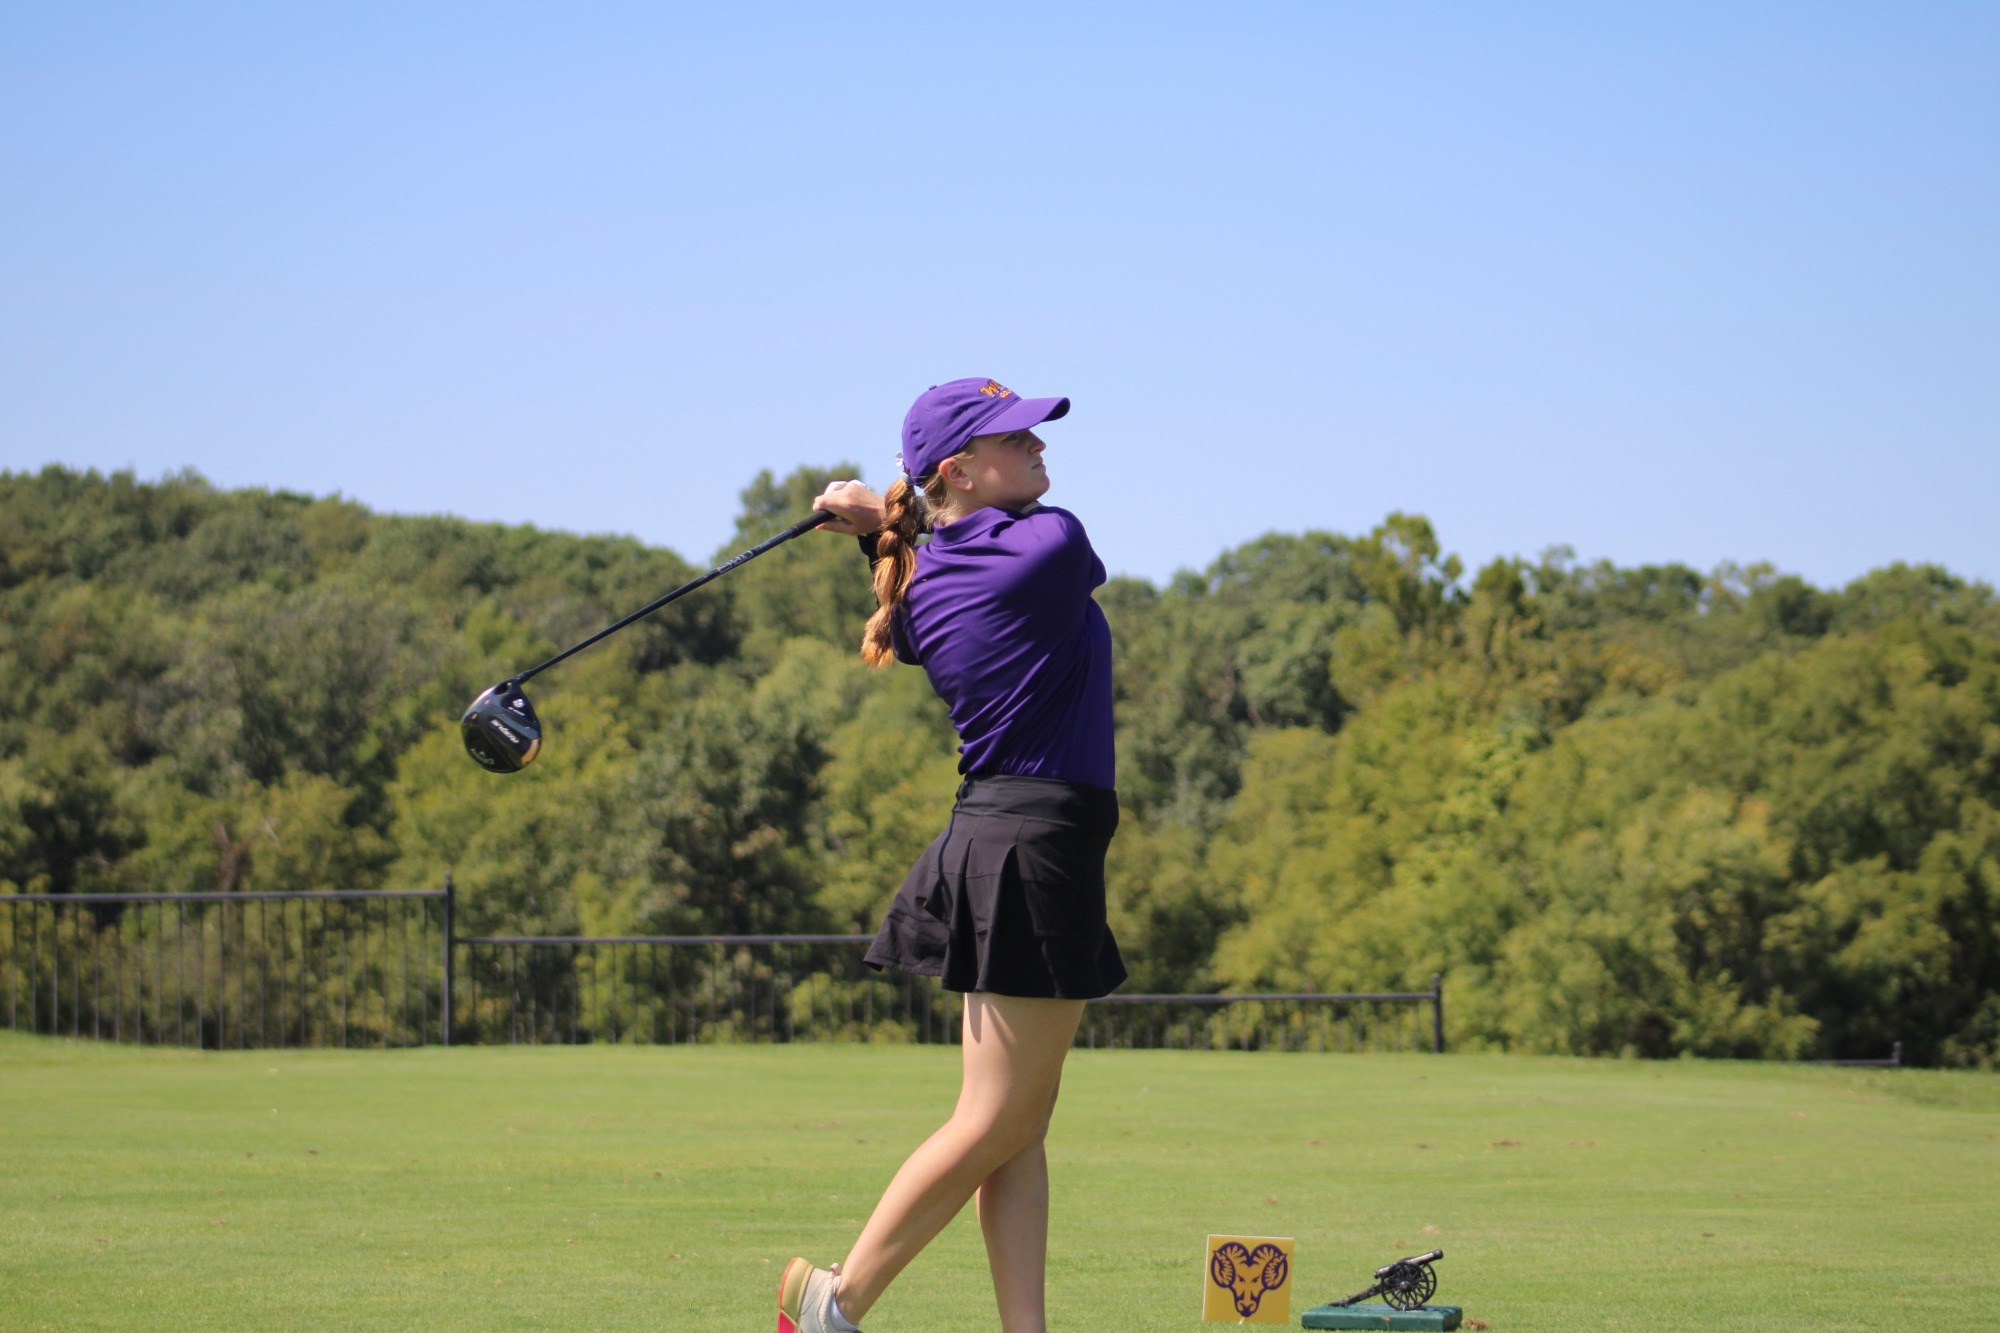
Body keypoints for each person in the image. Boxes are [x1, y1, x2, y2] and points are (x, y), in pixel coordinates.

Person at [777, 378, 1126, 1333]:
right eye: (1017, 437)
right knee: (998, 1121)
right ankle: (834, 1302)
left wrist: (874, 526)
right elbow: (1026, 549)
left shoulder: (924, 585)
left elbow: (924, 569)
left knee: (1015, 1126)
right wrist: (879, 523)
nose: (1041, 449)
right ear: (960, 470)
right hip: (1037, 839)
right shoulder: (1048, 547)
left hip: (1001, 834)